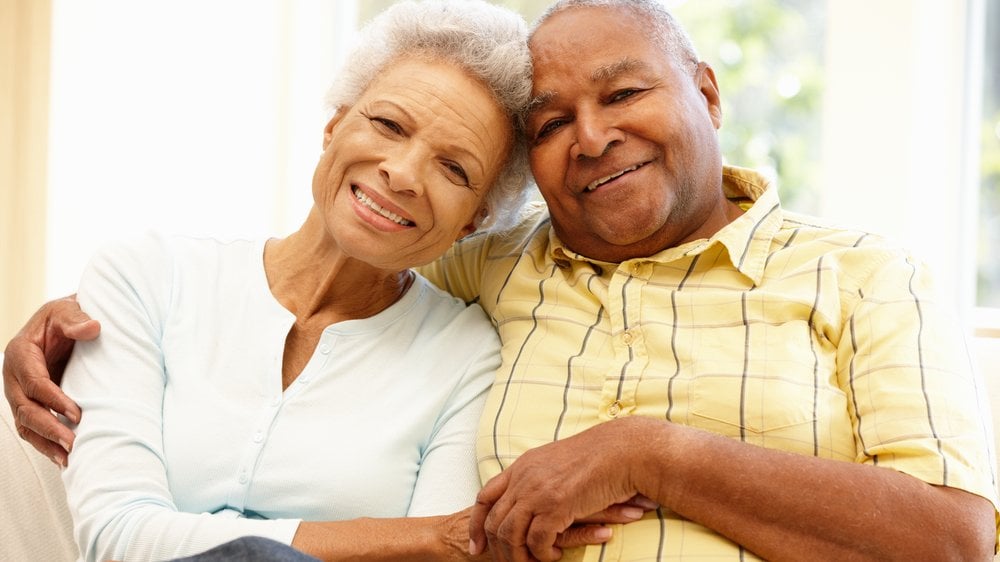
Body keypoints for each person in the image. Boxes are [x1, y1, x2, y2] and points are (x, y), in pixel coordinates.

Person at [6, 0, 999, 560]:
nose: (592, 136)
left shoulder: (864, 275)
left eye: (623, 94)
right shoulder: (489, 267)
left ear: (704, 91)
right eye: (550, 123)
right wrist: (79, 319)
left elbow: (955, 542)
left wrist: (656, 454)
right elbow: (358, 240)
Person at [1, 2, 644, 561]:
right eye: (388, 125)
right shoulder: (146, 274)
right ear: (335, 125)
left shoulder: (468, 353)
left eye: (454, 168)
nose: (402, 173)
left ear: (475, 220)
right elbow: (116, 539)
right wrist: (424, 537)